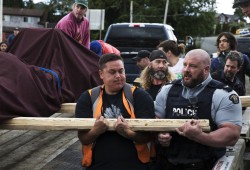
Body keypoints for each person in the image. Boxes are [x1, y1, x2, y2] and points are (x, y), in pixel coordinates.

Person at [154, 49, 242, 170]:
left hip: (205, 164)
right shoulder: (167, 90)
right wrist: (160, 134)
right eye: (185, 65)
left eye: (193, 66)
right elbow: (155, 120)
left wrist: (199, 136)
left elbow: (232, 135)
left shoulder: (223, 95)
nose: (186, 70)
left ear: (206, 69)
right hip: (168, 162)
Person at [75, 53, 155, 170]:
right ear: (101, 74)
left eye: (121, 71)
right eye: (112, 72)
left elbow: (148, 136)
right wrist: (96, 131)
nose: (118, 76)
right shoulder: (88, 98)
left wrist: (128, 133)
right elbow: (83, 138)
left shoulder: (139, 96)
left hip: (136, 166)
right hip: (97, 166)